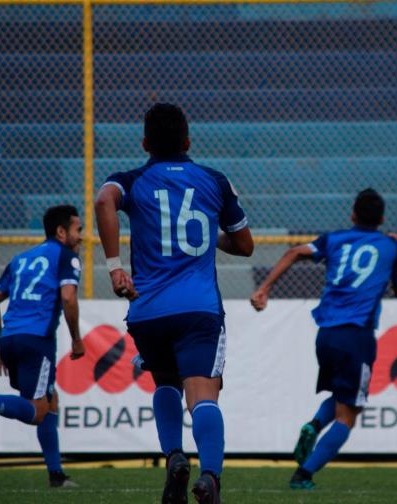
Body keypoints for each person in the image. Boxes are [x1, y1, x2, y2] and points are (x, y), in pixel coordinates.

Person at [94, 102, 253, 504]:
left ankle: (174, 457)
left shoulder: (130, 179)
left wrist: (115, 268)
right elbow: (245, 245)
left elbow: (102, 202)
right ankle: (211, 478)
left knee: (163, 382)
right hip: (199, 308)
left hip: (147, 310)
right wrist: (211, 233)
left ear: (145, 142)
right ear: (188, 140)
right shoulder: (215, 181)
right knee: (203, 393)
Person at [250, 188, 397, 490]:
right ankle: (304, 474)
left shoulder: (333, 239)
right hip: (358, 336)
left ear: (352, 214)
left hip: (326, 335)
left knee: (341, 396)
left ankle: (313, 425)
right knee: (349, 415)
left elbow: (294, 252)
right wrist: (393, 257)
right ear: (383, 218)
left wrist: (265, 288)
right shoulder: (391, 246)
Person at [0, 205, 85, 488]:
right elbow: (68, 298)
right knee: (38, 411)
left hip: (10, 339)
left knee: (49, 398)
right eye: (77, 229)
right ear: (61, 231)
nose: (81, 236)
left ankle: (56, 474)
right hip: (37, 341)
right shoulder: (66, 257)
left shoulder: (20, 258)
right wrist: (77, 338)